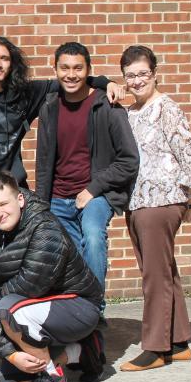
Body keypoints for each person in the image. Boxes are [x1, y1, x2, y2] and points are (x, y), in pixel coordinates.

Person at [0, 35, 120, 233]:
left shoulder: (25, 96)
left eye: (5, 58)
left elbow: (69, 79)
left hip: (13, 200)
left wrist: (106, 83)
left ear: (12, 64)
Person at [0, 171, 105, 382]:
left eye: (3, 204)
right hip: (30, 313)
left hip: (78, 307)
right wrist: (10, 354)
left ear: (20, 199)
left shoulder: (45, 227)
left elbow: (30, 286)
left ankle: (53, 378)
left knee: (8, 308)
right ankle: (81, 352)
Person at [35, 42, 139, 322]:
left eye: (78, 68)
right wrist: (42, 204)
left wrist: (92, 190)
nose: (71, 74)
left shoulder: (107, 105)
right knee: (63, 256)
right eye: (65, 68)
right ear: (55, 70)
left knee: (93, 237)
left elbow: (129, 160)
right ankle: (72, 312)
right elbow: (44, 162)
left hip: (96, 195)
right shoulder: (49, 107)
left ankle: (93, 309)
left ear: (88, 70)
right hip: (57, 197)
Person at [118, 45, 191, 372]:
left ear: (154, 73)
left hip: (161, 202)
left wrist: (187, 201)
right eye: (131, 76)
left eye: (143, 74)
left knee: (154, 276)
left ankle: (155, 348)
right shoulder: (131, 112)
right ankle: (179, 341)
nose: (137, 81)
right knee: (164, 270)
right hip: (138, 203)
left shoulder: (166, 108)